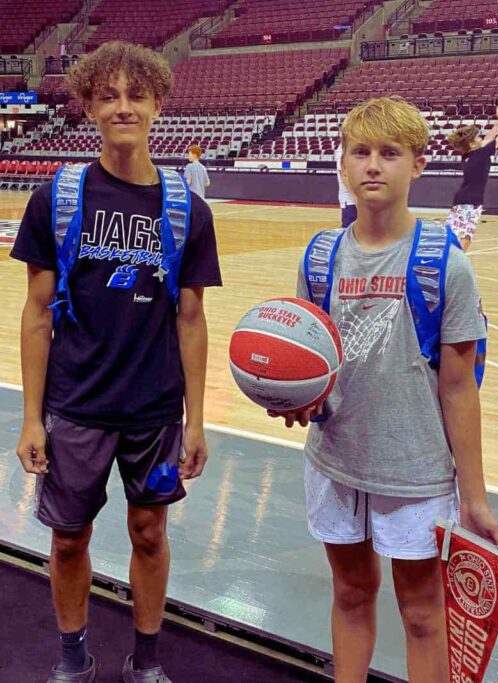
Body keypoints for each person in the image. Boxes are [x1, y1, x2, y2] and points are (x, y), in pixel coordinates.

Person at [271, 95, 498, 682]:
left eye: (390, 153)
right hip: (335, 461)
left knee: (423, 612)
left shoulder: (445, 263)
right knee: (351, 594)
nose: (374, 165)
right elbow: (311, 358)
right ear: (344, 165)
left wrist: (474, 498)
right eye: (362, 152)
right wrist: (296, 396)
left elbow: (459, 389)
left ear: (418, 166)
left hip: (416, 470)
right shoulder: (320, 256)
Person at [11, 41, 221, 683]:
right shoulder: (58, 197)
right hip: (75, 405)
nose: (123, 107)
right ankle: (73, 660)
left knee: (150, 534)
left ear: (158, 103)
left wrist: (196, 419)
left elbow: (191, 319)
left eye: (136, 95)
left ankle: (148, 661)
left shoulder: (189, 210)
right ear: (88, 107)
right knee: (69, 537)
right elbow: (36, 313)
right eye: (108, 96)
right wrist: (30, 418)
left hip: (154, 409)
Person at [445, 105, 498, 250]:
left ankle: (446, 260)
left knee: (451, 234)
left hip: (461, 199)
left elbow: (488, 139)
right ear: (472, 144)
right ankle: (456, 262)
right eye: (478, 137)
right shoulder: (480, 155)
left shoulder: (469, 155)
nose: (481, 138)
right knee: (467, 234)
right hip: (471, 202)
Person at [334, 131, 356, 228]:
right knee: (348, 231)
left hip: (360, 199)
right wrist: (356, 197)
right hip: (350, 200)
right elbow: (344, 176)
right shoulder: (342, 151)